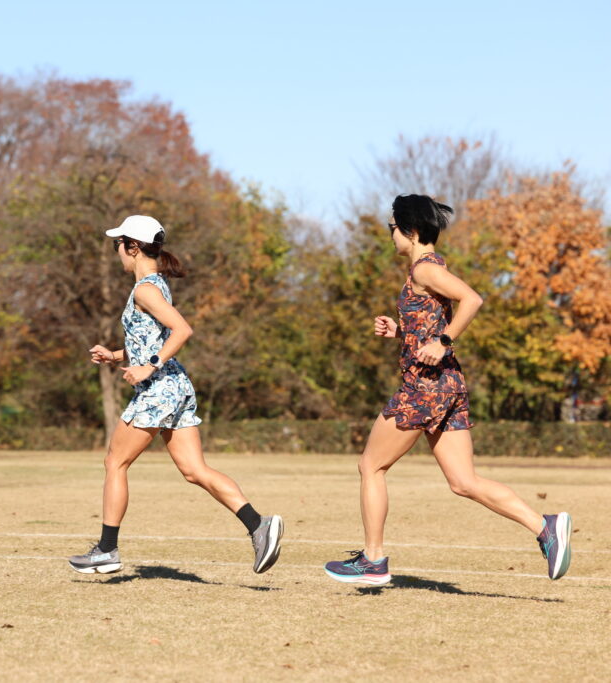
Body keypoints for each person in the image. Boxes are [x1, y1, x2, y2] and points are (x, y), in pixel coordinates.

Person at [324, 194, 571, 585]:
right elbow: (431, 321)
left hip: (424, 387)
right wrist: (401, 332)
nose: (390, 235)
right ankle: (545, 526)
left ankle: (372, 560)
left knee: (371, 466)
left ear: (411, 230)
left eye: (392, 228)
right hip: (446, 384)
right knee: (463, 482)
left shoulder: (425, 269)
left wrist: (444, 341)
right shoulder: (429, 268)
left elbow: (472, 299)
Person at [68, 215, 283, 575]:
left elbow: (182, 330)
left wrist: (149, 367)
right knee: (195, 471)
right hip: (175, 386)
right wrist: (116, 356)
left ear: (132, 248)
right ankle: (259, 525)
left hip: (159, 389)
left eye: (118, 244)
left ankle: (106, 550)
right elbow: (152, 339)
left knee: (115, 463)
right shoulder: (157, 285)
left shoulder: (145, 290)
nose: (116, 251)